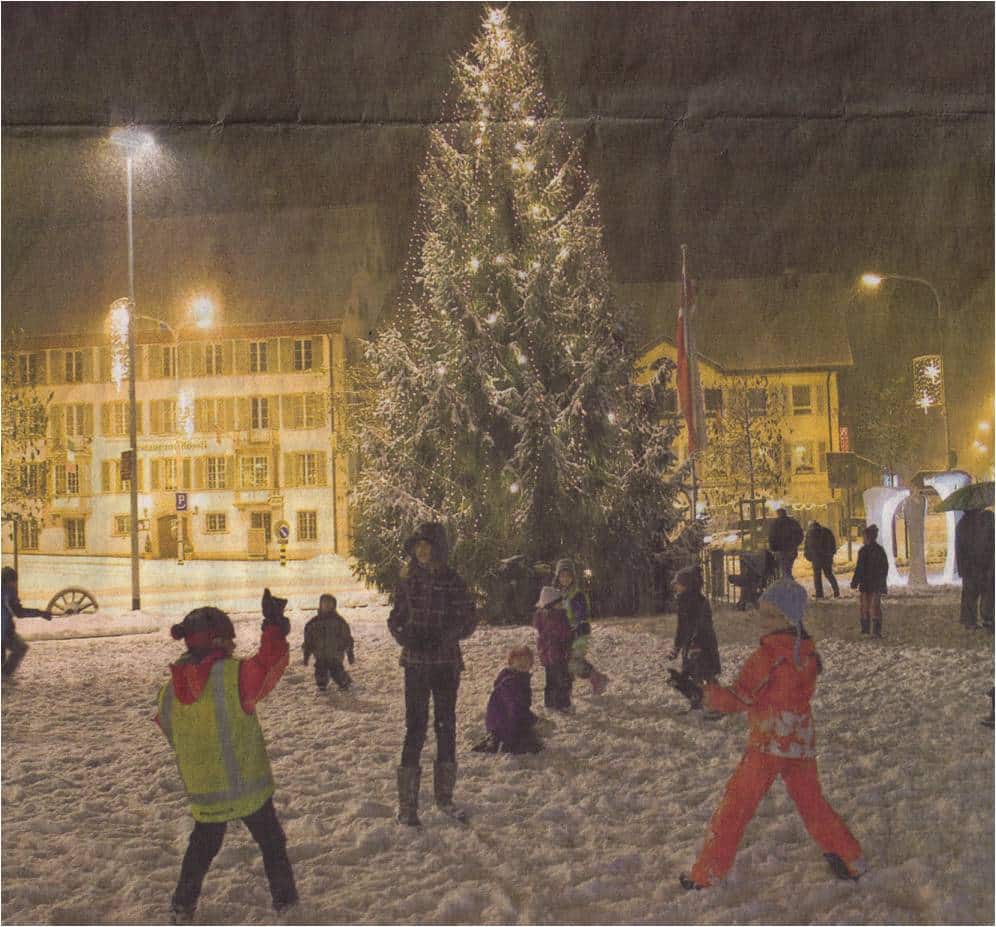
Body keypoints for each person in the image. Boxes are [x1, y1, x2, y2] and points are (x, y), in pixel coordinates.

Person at [680, 578, 867, 890]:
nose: (761, 619)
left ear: (789, 619)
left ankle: (707, 874)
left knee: (736, 806)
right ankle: (851, 858)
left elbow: (740, 697)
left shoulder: (768, 656)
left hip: (768, 745)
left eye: (770, 615)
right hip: (800, 743)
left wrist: (703, 695)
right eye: (761, 611)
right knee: (813, 804)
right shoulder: (807, 653)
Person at [156, 590, 297, 923]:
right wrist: (273, 626)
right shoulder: (235, 676)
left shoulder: (169, 690)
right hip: (248, 787)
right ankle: (288, 906)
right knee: (272, 843)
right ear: (218, 640)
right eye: (230, 639)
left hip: (207, 792)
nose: (234, 645)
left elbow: (169, 730)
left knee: (201, 848)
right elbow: (270, 663)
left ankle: (181, 906)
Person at [388, 522, 477, 826]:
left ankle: (445, 797)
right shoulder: (407, 581)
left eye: (427, 544)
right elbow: (395, 618)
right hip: (415, 663)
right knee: (415, 728)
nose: (422, 550)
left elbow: (468, 619)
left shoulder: (453, 581)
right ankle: (407, 805)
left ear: (438, 548)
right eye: (418, 545)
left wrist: (443, 636)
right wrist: (405, 635)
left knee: (445, 726)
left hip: (445, 663)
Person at [666, 566, 721, 715]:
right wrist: (677, 647)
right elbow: (682, 628)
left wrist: (694, 644)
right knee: (699, 675)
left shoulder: (693, 602)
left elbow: (699, 625)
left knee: (704, 675)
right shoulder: (687, 600)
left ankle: (717, 705)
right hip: (694, 644)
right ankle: (700, 704)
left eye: (678, 583)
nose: (675, 586)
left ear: (686, 585)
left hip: (700, 644)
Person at [554, 558, 610, 696]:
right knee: (564, 661)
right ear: (558, 577)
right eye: (562, 576)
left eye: (568, 576)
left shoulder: (577, 595)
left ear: (573, 577)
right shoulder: (559, 594)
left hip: (579, 634)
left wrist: (577, 626)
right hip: (565, 634)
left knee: (574, 662)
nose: (565, 579)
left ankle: (597, 679)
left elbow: (581, 614)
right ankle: (566, 688)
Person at [473, 645, 543, 754]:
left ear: (531, 664)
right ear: (511, 662)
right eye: (519, 660)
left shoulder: (521, 679)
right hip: (503, 724)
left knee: (534, 740)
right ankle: (501, 742)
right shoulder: (510, 681)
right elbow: (517, 709)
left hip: (507, 721)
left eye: (526, 661)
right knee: (532, 746)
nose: (523, 663)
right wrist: (534, 720)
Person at [1, 566, 52, 679]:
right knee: (21, 648)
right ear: (11, 581)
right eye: (15, 581)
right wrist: (41, 613)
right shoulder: (9, 592)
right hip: (4, 631)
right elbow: (18, 612)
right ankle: (4, 675)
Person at [302, 593, 355, 691]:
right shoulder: (313, 623)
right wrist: (306, 656)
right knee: (320, 672)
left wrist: (350, 654)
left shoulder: (339, 622)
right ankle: (322, 684)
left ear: (333, 606)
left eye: (329, 604)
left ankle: (345, 681)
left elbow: (347, 639)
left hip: (335, 654)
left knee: (337, 672)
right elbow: (308, 641)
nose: (326, 605)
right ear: (320, 605)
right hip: (320, 654)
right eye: (324, 603)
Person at [533, 585, 574, 710]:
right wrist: (573, 634)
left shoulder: (542, 617)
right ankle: (563, 704)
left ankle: (550, 702)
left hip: (547, 656)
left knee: (551, 680)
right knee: (562, 680)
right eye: (559, 603)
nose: (562, 604)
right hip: (559, 655)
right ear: (551, 605)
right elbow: (564, 634)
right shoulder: (558, 617)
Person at [955, 508, 994, 631]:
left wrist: (961, 568)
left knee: (970, 593)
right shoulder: (988, 518)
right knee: (988, 592)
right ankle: (988, 619)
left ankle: (970, 621)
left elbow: (959, 547)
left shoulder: (962, 523)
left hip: (970, 565)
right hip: (985, 562)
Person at [850, 525, 889, 637]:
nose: (863, 538)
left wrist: (855, 582)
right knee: (874, 606)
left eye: (864, 536)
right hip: (875, 583)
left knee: (865, 607)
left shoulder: (864, 551)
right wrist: (882, 582)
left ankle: (866, 629)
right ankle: (875, 631)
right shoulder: (879, 550)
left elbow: (859, 568)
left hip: (866, 583)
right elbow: (884, 567)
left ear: (868, 537)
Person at [804, 521, 840, 599]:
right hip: (827, 557)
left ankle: (819, 593)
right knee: (829, 574)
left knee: (817, 576)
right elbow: (833, 543)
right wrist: (832, 553)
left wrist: (808, 556)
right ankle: (836, 591)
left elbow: (807, 546)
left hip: (816, 558)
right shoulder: (827, 531)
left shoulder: (810, 533)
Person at [768, 508, 804, 578]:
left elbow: (772, 537)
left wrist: (773, 548)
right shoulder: (793, 522)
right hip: (791, 550)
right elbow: (800, 535)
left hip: (781, 550)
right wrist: (795, 544)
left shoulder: (775, 523)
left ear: (778, 514)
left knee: (784, 569)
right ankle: (788, 580)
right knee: (788, 568)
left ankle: (788, 581)